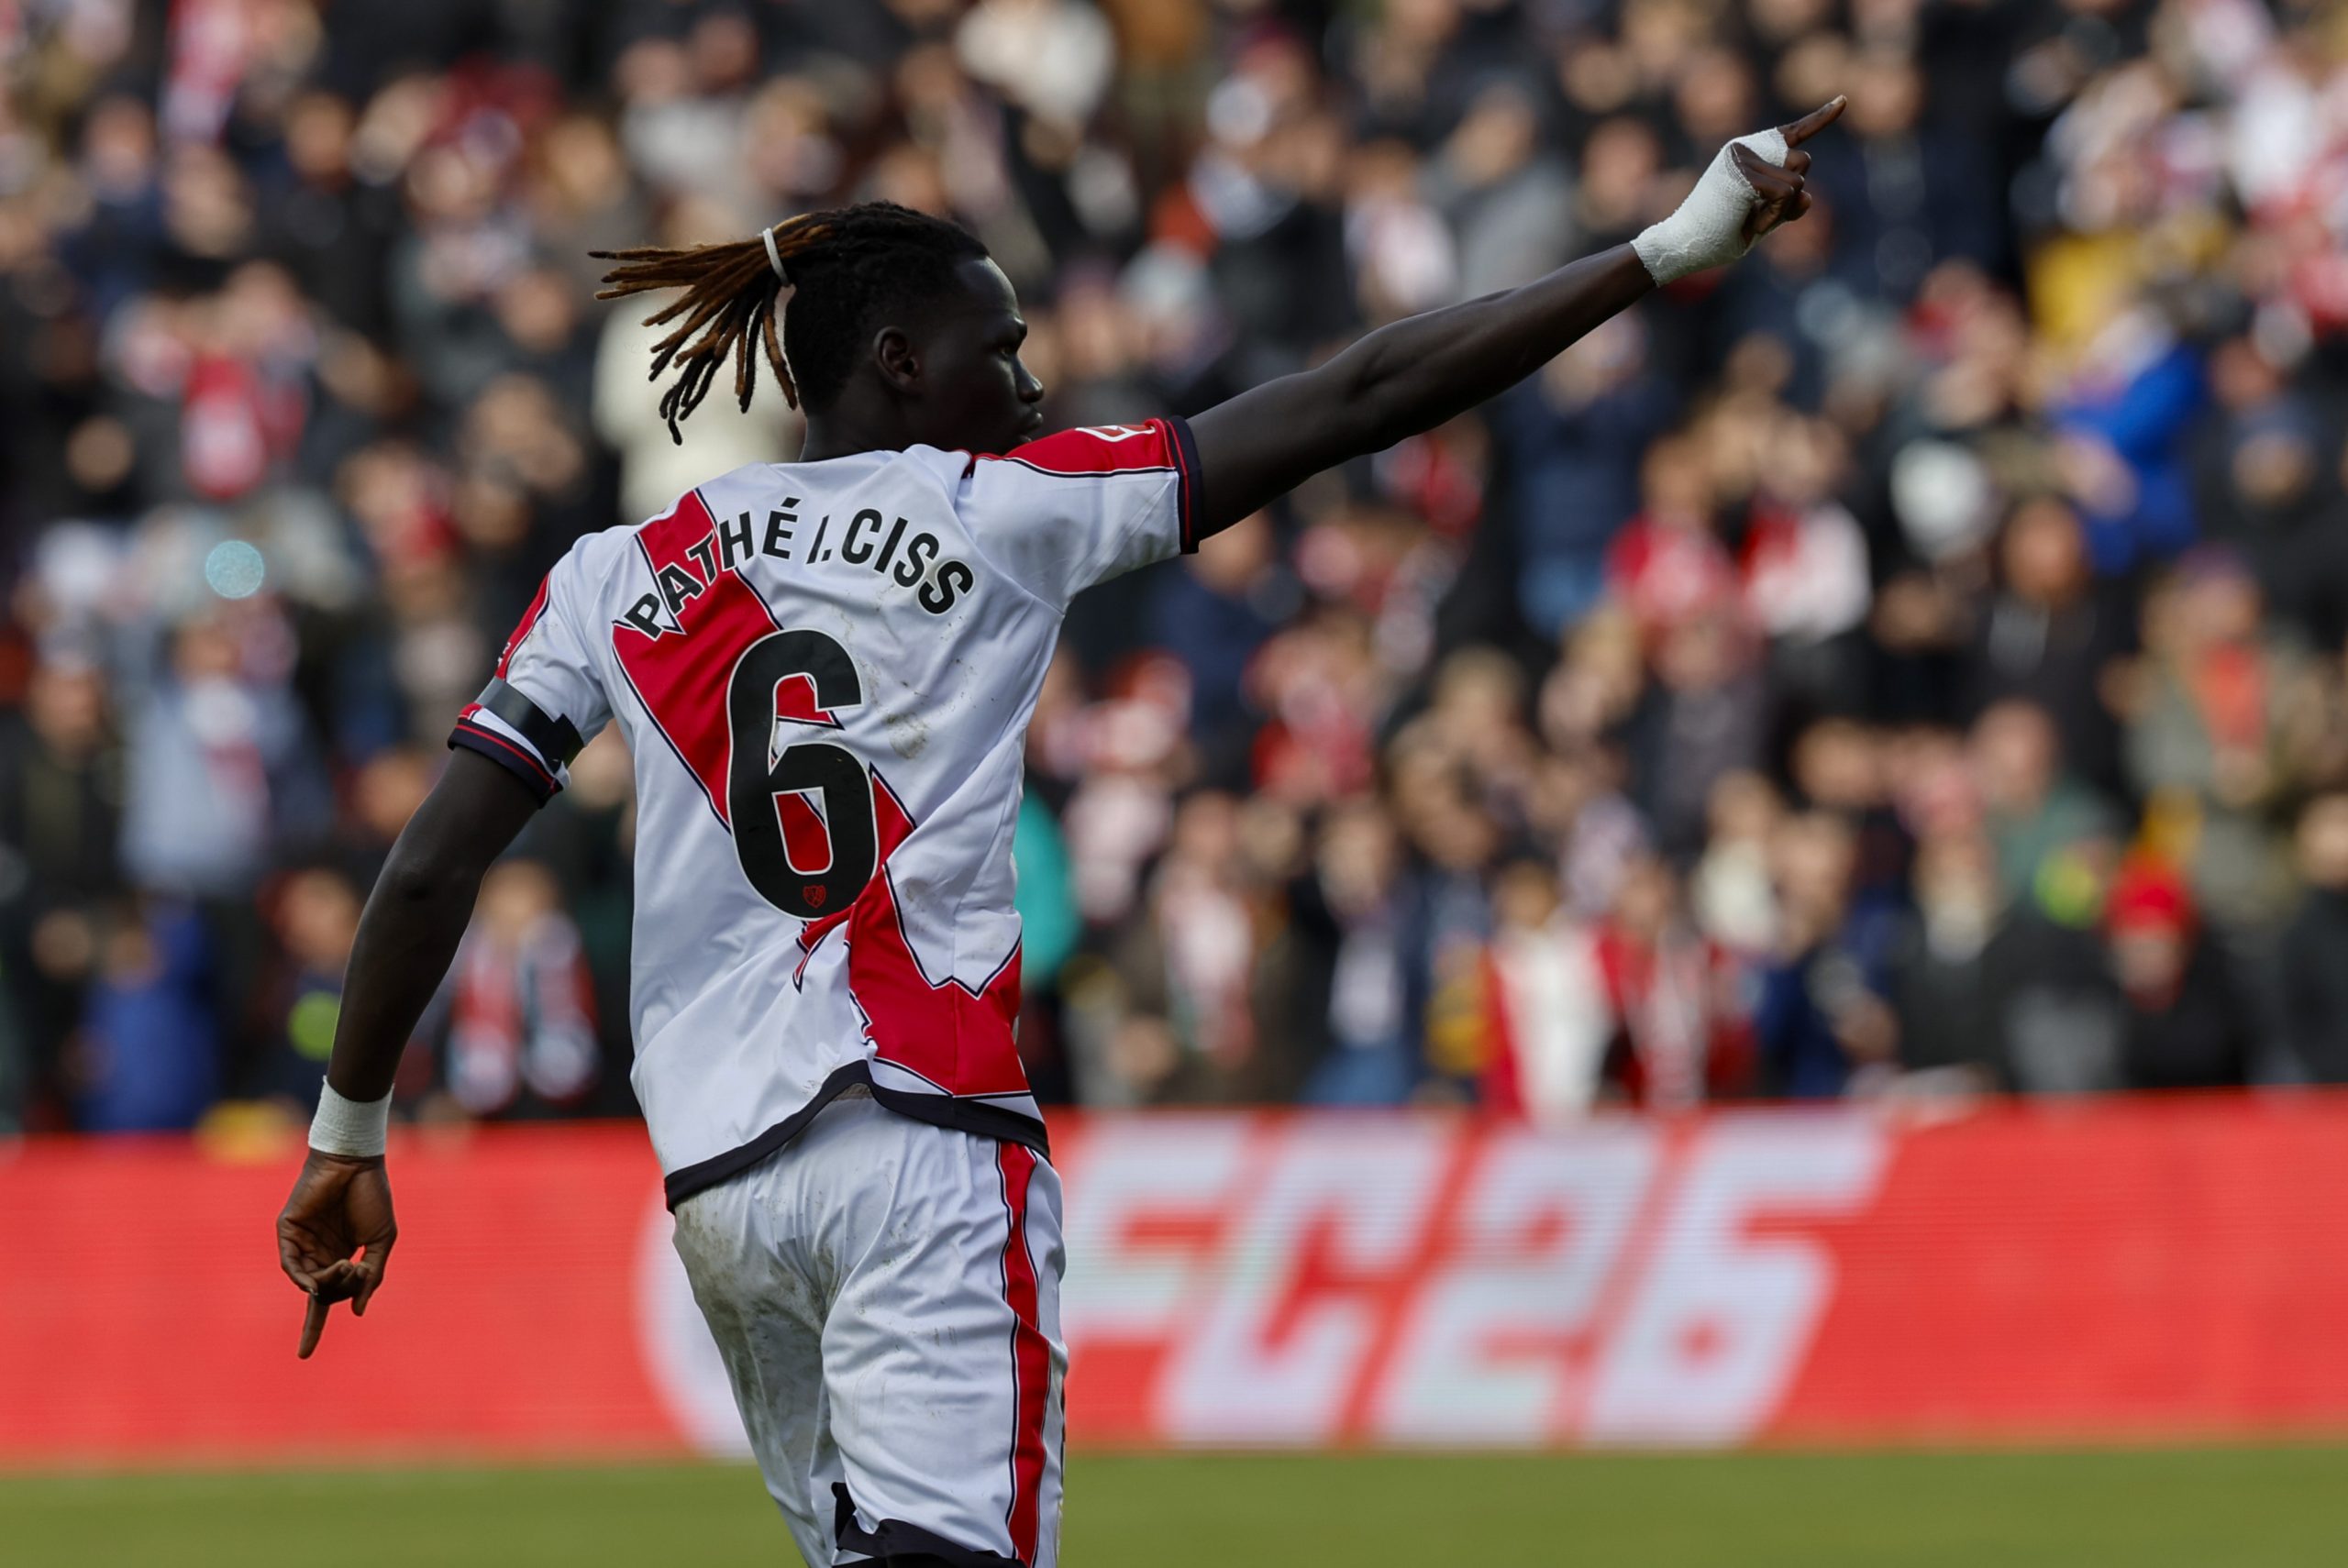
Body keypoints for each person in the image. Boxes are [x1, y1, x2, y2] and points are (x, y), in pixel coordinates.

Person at [275, 99, 1847, 1568]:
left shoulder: (613, 574)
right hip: (921, 1138)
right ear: (898, 360)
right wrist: (1665, 251)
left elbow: (431, 863)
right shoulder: (1005, 504)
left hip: (724, 1197)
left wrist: (347, 1131)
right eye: (1001, 347)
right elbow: (1361, 395)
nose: (1033, 383)